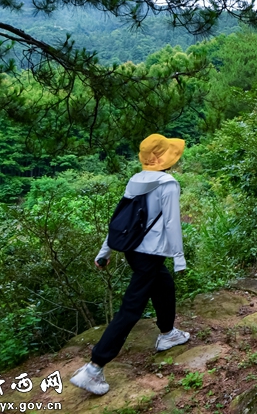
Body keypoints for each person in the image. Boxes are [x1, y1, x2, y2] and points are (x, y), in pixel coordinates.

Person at [71, 134, 189, 396]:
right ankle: (94, 367)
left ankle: (168, 333)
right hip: (151, 253)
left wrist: (105, 251)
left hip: (133, 251)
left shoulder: (135, 180)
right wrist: (179, 258)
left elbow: (119, 221)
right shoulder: (168, 184)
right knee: (131, 308)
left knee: (164, 285)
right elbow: (171, 223)